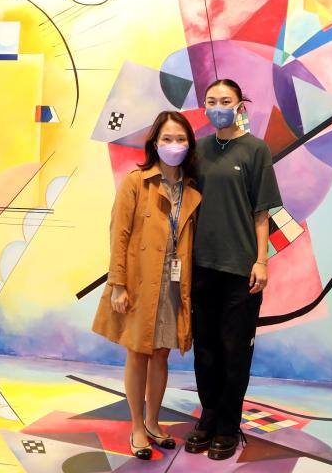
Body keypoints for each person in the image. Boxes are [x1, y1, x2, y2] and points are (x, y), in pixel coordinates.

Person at [91, 111, 202, 460]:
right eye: (167, 139)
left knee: (161, 352)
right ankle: (137, 426)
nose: (174, 145)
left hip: (174, 283)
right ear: (155, 143)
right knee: (138, 351)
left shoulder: (192, 189)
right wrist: (118, 284)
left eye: (180, 139)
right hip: (139, 282)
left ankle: (154, 422)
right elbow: (119, 235)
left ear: (190, 145)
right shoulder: (136, 182)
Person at [185, 79, 283, 460]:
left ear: (240, 105)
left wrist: (261, 260)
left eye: (225, 101)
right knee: (205, 349)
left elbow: (262, 212)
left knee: (234, 349)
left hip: (240, 268)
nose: (218, 107)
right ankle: (208, 416)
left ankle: (228, 425)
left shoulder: (256, 150)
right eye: (211, 101)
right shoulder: (198, 150)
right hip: (202, 265)